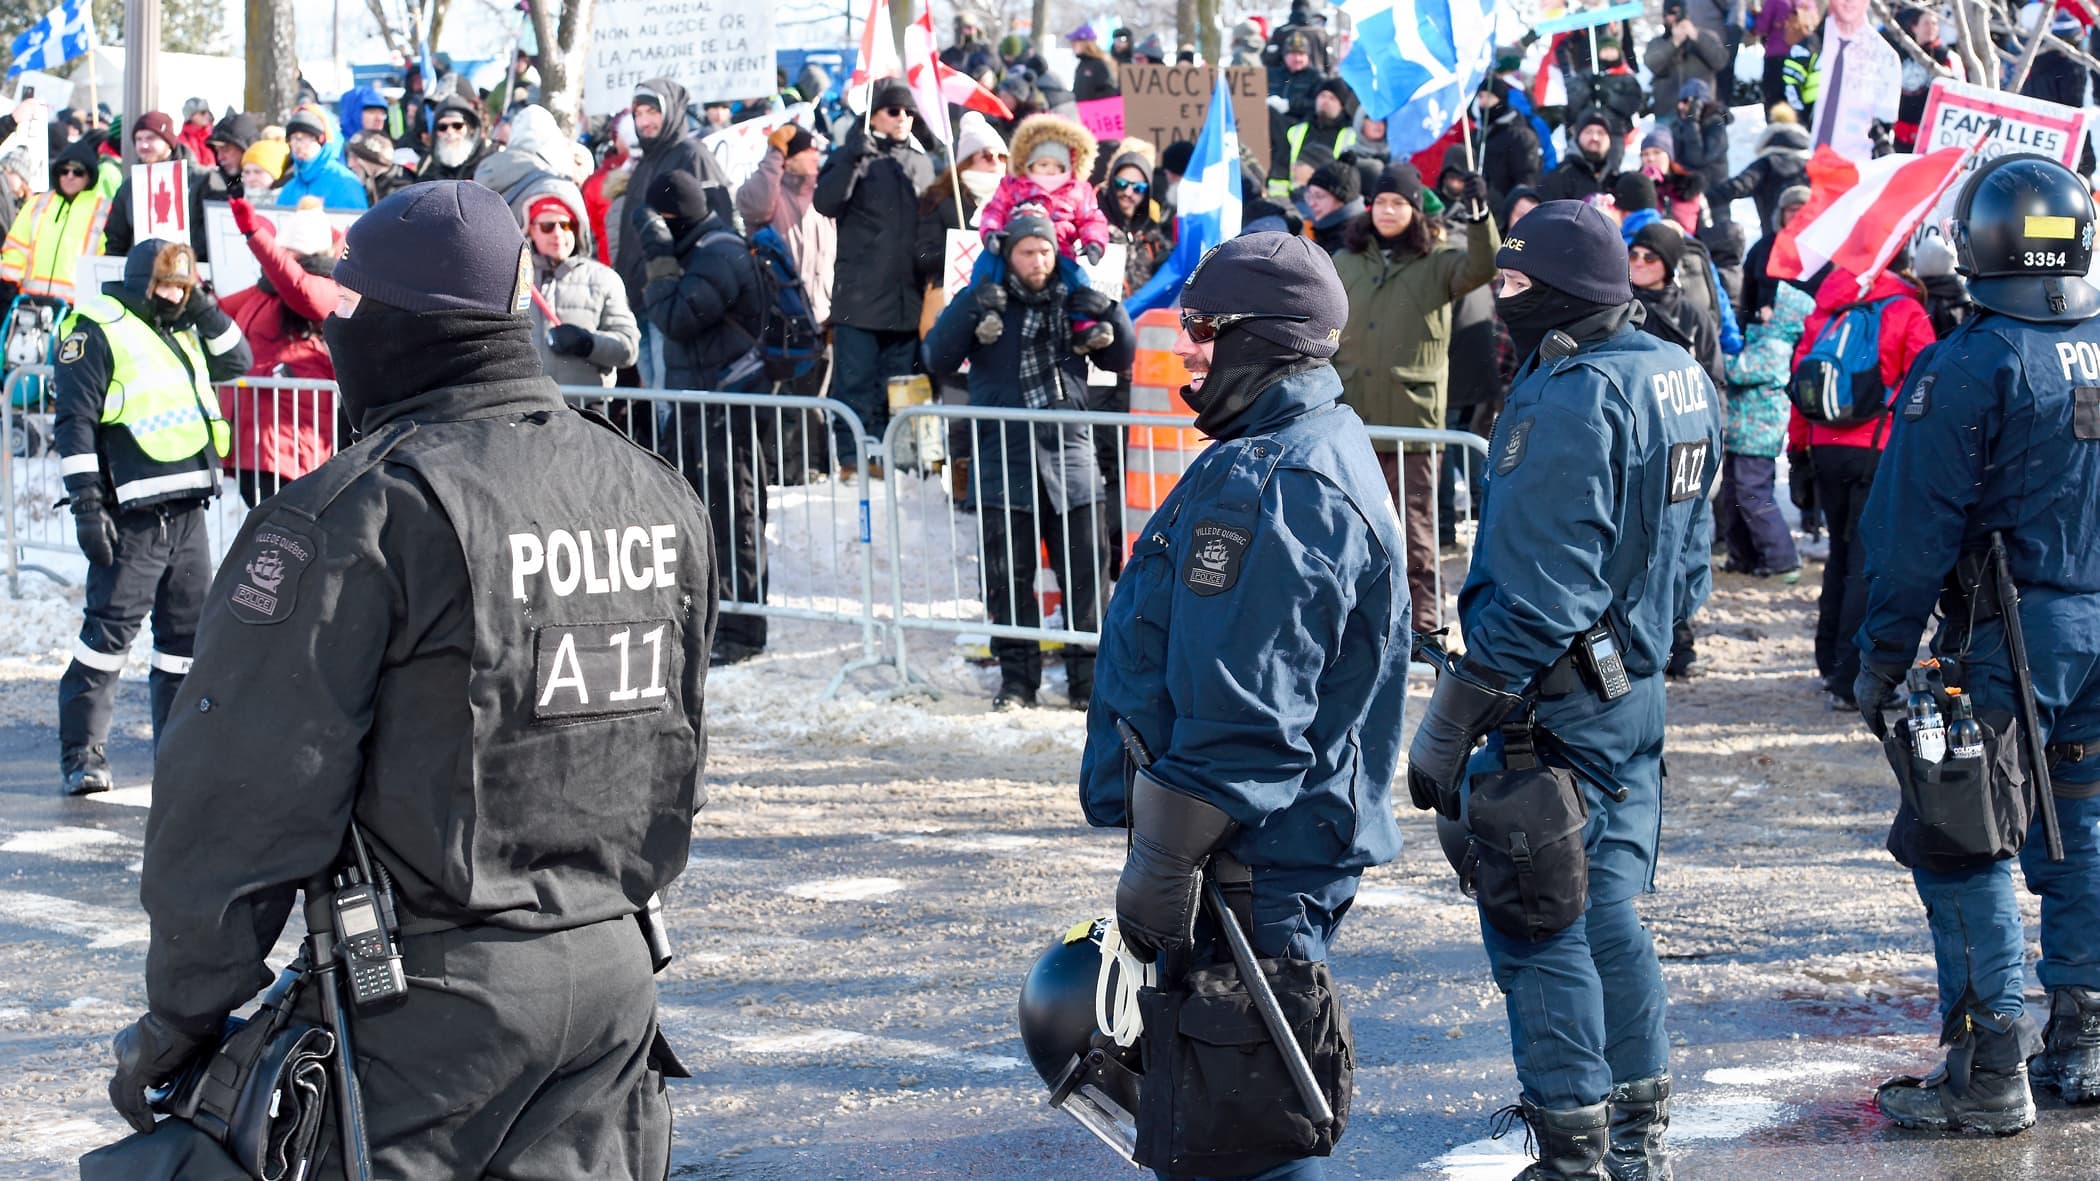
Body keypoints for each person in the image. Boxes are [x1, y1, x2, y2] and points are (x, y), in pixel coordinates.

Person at [103, 182, 716, 1177]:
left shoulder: (360, 512)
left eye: (347, 307)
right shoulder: (654, 491)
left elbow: (243, 799)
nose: (337, 328)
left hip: (422, 1014)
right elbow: (677, 747)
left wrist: (180, 1014)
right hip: (613, 986)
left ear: (402, 325)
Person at [1076, 231, 1405, 1180]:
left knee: (1243, 1119)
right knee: (1234, 1101)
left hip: (1247, 854)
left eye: (1209, 330)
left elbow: (1249, 709)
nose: (1190, 351)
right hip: (1259, 843)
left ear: (1267, 341)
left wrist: (1166, 856)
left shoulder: (1271, 480)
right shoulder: (1292, 444)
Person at [1407, 200, 1720, 1181]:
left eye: (1512, 283)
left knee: (1538, 922)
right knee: (1613, 910)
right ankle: (1637, 1138)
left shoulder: (1573, 395)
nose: (1501, 299)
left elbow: (1541, 581)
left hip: (1554, 698)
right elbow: (1693, 552)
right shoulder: (1673, 370)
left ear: (1562, 291)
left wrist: (1455, 716)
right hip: (1630, 689)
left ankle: (1578, 1147)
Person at [1850, 152, 2100, 1134]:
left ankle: (1990, 1062)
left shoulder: (1972, 362)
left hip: (2017, 631)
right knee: (2080, 821)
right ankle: (2082, 1032)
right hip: (2085, 621)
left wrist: (1879, 654)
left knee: (1966, 832)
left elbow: (1910, 531)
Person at [52, 240, 250, 794]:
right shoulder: (97, 327)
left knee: (185, 645)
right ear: (142, 281)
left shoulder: (182, 322)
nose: (173, 296)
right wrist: (87, 505)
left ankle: (178, 754)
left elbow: (239, 360)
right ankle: (83, 755)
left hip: (187, 510)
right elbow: (75, 423)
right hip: (131, 516)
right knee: (107, 637)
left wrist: (202, 306)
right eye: (166, 286)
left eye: (181, 288)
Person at [924, 214, 1132, 710]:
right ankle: (1018, 681)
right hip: (1005, 461)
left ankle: (1087, 682)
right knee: (1007, 579)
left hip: (1071, 463)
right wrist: (972, 308)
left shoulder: (1074, 298)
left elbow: (1119, 356)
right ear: (1008, 256)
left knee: (1085, 579)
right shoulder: (987, 298)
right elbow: (936, 355)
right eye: (1026, 252)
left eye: (1044, 251)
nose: (1037, 261)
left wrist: (1111, 313)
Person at [1331, 167, 1498, 634]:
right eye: (1381, 202)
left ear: (1415, 210)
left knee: (1416, 541)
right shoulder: (1346, 260)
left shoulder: (1439, 261)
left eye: (1398, 203)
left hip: (1413, 428)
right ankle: (1354, 630)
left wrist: (1482, 214)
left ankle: (1425, 634)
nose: (1388, 211)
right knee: (1347, 535)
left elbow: (1484, 267)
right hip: (1351, 425)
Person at [1790, 256, 1934, 709]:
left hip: (1825, 446)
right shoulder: (1906, 310)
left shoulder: (1826, 310)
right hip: (1877, 447)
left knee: (1839, 554)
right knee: (1866, 561)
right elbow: (1927, 382)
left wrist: (1799, 449)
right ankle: (1851, 678)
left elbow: (1799, 386)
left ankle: (1829, 661)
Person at [640, 172, 771, 666]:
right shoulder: (703, 248)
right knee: (693, 514)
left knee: (732, 512)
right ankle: (707, 619)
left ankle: (741, 628)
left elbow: (674, 317)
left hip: (726, 406)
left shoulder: (718, 252)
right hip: (698, 401)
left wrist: (658, 258)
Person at [814, 80, 935, 480]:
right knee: (854, 384)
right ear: (875, 114)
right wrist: (851, 156)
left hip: (906, 299)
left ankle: (891, 457)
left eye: (909, 112)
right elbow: (826, 201)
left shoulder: (921, 161)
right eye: (893, 111)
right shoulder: (853, 154)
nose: (903, 118)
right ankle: (852, 458)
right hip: (860, 299)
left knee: (897, 387)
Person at [219, 197, 343, 507]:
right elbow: (215, 312)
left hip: (292, 440)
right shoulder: (263, 291)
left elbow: (300, 288)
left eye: (288, 251)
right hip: (254, 438)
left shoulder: (328, 288)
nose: (280, 257)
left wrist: (255, 235)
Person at [617, 77, 737, 389]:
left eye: (652, 111)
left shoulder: (692, 155)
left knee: (671, 400)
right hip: (641, 299)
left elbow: (719, 227)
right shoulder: (644, 164)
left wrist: (693, 290)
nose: (644, 121)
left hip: (675, 301)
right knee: (657, 404)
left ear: (670, 111)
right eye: (638, 113)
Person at [972, 114, 1115, 352]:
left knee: (1078, 279)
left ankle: (1082, 325)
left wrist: (1094, 242)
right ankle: (987, 312)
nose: (1050, 171)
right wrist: (991, 233)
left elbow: (1092, 218)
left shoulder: (1077, 191)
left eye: (1057, 166)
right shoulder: (1015, 185)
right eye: (1044, 164)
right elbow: (995, 209)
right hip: (1015, 247)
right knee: (988, 264)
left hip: (1060, 250)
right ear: (1029, 163)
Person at [1718, 279, 1808, 578]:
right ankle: (1742, 555)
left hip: (1756, 438)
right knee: (1733, 498)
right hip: (1742, 435)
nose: (1763, 309)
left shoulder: (1775, 346)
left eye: (1772, 305)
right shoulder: (1761, 339)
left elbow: (1738, 370)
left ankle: (1781, 558)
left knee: (1754, 496)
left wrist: (1714, 354)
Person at [525, 192, 637, 389]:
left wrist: (587, 343)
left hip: (584, 410)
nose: (558, 233)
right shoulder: (516, 278)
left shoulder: (604, 278)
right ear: (531, 231)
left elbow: (628, 349)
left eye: (566, 225)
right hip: (529, 409)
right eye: (547, 226)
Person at [738, 120, 837, 330]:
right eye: (807, 151)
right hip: (780, 320)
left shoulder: (823, 192)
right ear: (787, 159)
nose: (815, 156)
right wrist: (775, 152)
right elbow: (756, 206)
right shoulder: (767, 193)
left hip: (824, 316)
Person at [0, 139, 109, 305]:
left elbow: (106, 259)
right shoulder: (37, 203)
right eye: (64, 171)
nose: (70, 176)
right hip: (29, 303)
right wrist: (9, 288)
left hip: (78, 308)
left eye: (78, 172)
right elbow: (15, 249)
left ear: (89, 175)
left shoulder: (104, 210)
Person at [101, 112, 214, 258]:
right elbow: (116, 240)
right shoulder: (129, 187)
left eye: (150, 138)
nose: (143, 145)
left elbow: (208, 235)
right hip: (141, 274)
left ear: (168, 142)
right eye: (138, 139)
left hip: (186, 271)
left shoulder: (200, 180)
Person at [274, 105, 369, 210]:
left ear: (320, 140)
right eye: (292, 138)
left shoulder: (345, 182)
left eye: (303, 138)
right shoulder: (289, 188)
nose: (297, 144)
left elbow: (354, 222)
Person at [1645, 0, 1730, 114]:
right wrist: (1674, 43)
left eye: (1680, 13)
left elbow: (1721, 61)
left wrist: (1697, 37)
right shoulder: (1657, 43)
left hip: (1703, 109)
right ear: (1664, 16)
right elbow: (1652, 64)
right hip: (1668, 111)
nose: (1676, 18)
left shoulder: (1706, 36)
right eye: (1672, 13)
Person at [1474, 78, 1542, 223]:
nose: (1484, 102)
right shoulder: (1478, 134)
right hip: (1480, 211)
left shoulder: (1520, 136)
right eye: (1481, 96)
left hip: (1507, 215)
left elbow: (1526, 179)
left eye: (1489, 97)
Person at [417, 93, 498, 183]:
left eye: (457, 126)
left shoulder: (490, 159)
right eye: (442, 127)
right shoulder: (430, 164)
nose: (450, 132)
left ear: (471, 128)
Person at [1536, 112, 1616, 204]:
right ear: (1577, 138)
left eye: (1601, 133)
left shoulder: (1616, 181)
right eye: (1588, 132)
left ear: (1610, 141)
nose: (1595, 138)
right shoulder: (1560, 175)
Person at [344, 129, 414, 205]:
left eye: (355, 158)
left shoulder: (400, 192)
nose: (350, 164)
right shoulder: (367, 182)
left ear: (370, 160)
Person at [239, 138, 289, 204]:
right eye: (246, 172)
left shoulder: (288, 202)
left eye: (258, 172)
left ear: (274, 175)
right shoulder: (239, 198)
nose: (251, 178)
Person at [176, 97, 215, 162]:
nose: (207, 115)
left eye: (208, 112)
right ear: (191, 116)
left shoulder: (213, 136)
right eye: (203, 112)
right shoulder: (182, 141)